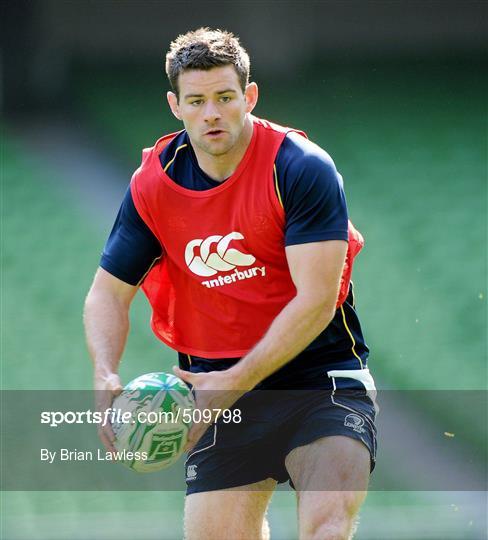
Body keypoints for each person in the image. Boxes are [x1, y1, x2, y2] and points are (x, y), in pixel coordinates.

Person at [84, 27, 377, 540]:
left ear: (250, 95)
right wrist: (106, 372)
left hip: (320, 379)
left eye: (224, 97)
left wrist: (234, 380)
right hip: (216, 389)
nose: (211, 113)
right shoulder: (153, 184)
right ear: (175, 105)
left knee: (326, 528)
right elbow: (108, 293)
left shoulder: (300, 168)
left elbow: (316, 300)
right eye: (196, 101)